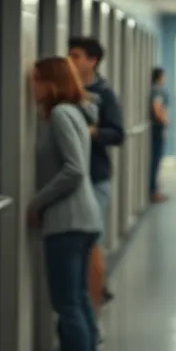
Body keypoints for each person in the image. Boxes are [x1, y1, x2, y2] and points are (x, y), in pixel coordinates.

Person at [27, 57, 102, 351]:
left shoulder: (60, 115)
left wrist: (37, 202)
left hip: (68, 221)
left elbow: (73, 169)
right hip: (82, 219)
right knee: (78, 305)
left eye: (37, 81)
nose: (33, 87)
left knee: (69, 307)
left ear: (51, 83)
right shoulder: (75, 112)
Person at [69, 36, 124, 311]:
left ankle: (92, 313)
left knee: (92, 244)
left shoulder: (104, 92)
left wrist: (92, 132)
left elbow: (117, 134)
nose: (71, 60)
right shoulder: (65, 89)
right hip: (69, 179)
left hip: (95, 176)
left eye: (77, 56)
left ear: (92, 60)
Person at [149, 67, 170, 203]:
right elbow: (157, 107)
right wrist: (164, 121)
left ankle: (153, 189)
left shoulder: (154, 89)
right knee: (155, 161)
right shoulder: (157, 90)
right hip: (157, 128)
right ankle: (153, 191)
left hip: (156, 128)